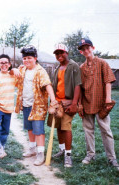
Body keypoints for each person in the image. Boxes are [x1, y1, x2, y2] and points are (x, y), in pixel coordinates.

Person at [78, 38, 119, 170]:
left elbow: (108, 81)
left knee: (106, 130)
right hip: (87, 102)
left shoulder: (102, 63)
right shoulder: (82, 68)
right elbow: (80, 88)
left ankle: (112, 158)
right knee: (88, 130)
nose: (86, 50)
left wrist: (108, 99)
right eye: (83, 49)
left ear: (93, 48)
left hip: (101, 102)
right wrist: (79, 104)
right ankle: (90, 154)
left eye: (88, 47)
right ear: (81, 52)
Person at [15, 45, 57, 166]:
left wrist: (53, 101)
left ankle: (40, 153)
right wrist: (15, 69)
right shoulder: (23, 70)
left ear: (35, 58)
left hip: (38, 106)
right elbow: (14, 75)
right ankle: (32, 149)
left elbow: (48, 85)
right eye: (24, 58)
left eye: (29, 58)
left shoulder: (40, 71)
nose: (26, 60)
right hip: (26, 104)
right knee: (30, 128)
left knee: (38, 130)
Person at [47, 43, 81, 167]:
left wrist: (74, 103)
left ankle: (68, 155)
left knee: (66, 127)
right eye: (56, 53)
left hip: (68, 102)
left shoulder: (73, 66)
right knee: (59, 127)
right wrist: (53, 102)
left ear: (66, 53)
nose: (59, 55)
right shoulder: (57, 68)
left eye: (61, 52)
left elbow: (78, 85)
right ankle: (61, 149)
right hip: (58, 103)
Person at [0, 54, 20, 159]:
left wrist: (16, 69)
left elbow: (21, 80)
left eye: (6, 63)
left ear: (9, 64)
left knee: (5, 130)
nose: (4, 65)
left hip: (9, 108)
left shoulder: (13, 76)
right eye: (1, 63)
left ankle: (2, 146)